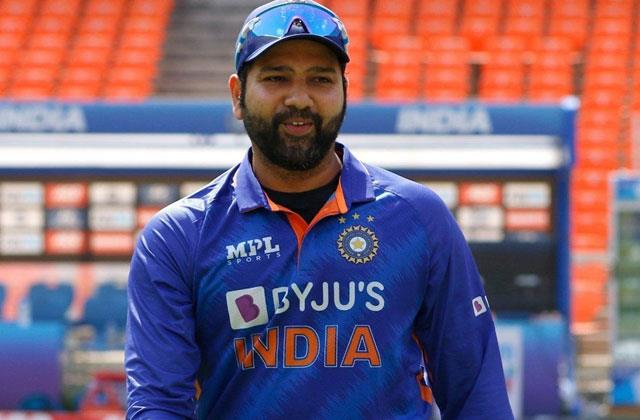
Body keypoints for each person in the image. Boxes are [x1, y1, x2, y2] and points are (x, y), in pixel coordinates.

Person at [125, 1, 514, 418]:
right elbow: (157, 404)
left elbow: (477, 394)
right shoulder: (180, 236)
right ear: (238, 95)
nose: (299, 98)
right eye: (276, 78)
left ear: (344, 91)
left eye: (320, 79)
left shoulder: (418, 217)